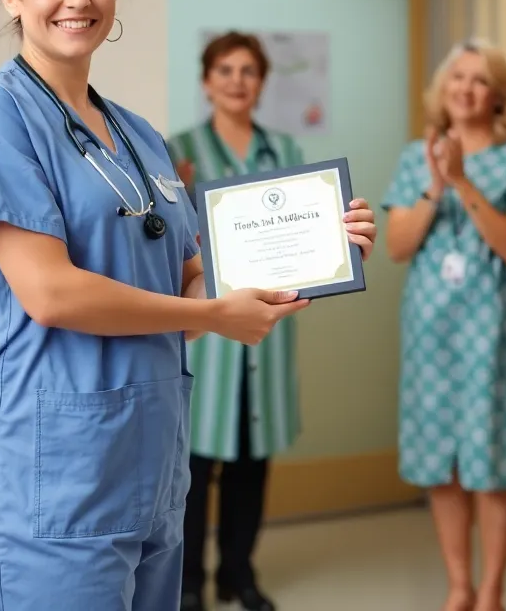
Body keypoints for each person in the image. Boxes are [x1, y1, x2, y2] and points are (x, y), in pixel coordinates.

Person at [0, 0, 379, 611]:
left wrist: (312, 251)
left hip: (149, 468)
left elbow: (197, 276)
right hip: (54, 476)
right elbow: (50, 293)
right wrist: (212, 317)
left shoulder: (138, 135)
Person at [382, 39, 506, 611]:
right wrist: (436, 182)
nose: (465, 88)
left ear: (498, 94)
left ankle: (493, 590)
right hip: (431, 329)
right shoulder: (413, 156)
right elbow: (397, 246)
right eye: (457, 78)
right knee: (441, 465)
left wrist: (465, 183)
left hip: (494, 327)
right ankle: (458, 587)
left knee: (491, 464)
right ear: (442, 90)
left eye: (478, 79)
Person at [166, 31, 306, 611]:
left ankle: (239, 574)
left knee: (253, 465)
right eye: (224, 70)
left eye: (248, 71)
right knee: (197, 470)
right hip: (209, 332)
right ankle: (191, 581)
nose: (236, 81)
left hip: (268, 332)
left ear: (261, 82)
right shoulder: (177, 151)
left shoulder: (286, 152)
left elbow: (305, 232)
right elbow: (170, 246)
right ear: (206, 81)